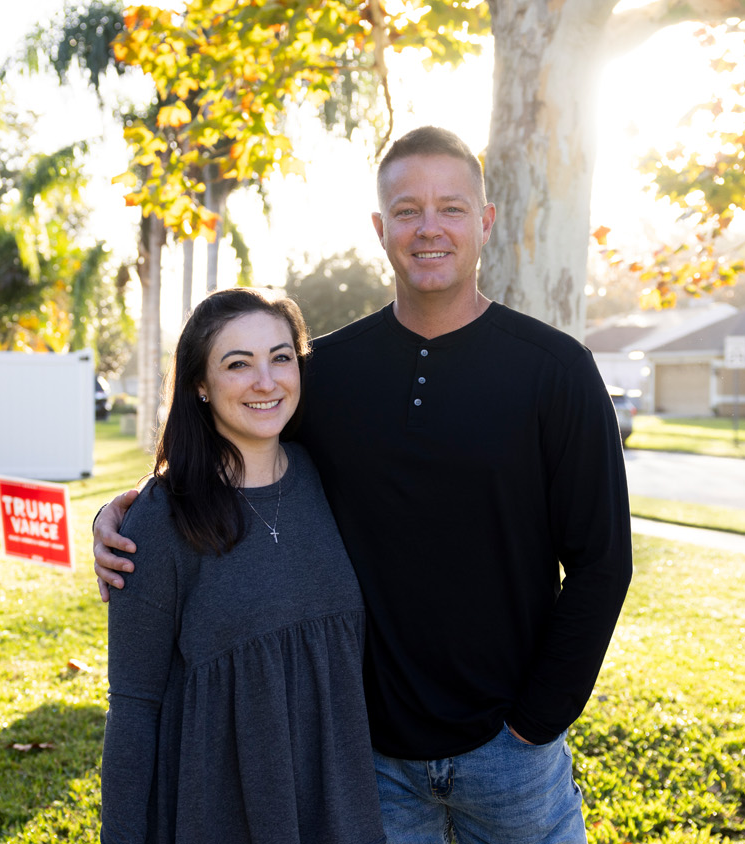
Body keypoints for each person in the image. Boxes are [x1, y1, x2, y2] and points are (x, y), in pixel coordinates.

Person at [96, 126, 632, 843]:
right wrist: (126, 510)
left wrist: (535, 723)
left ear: (486, 220)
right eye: (407, 210)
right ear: (381, 229)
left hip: (512, 760)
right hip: (368, 762)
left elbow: (601, 563)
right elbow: (236, 438)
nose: (429, 228)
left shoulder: (555, 370)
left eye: (450, 207)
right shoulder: (328, 373)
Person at [99, 287, 384, 844]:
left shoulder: (328, 475)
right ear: (200, 385)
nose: (266, 381)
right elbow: (133, 707)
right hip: (220, 812)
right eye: (238, 364)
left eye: (281, 357)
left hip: (339, 805)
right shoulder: (161, 519)